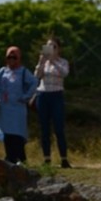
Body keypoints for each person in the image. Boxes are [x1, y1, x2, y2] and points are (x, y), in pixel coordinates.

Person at [0, 46, 37, 165]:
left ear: (19, 58)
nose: (11, 59)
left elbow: (34, 82)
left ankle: (21, 159)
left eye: (14, 57)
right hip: (5, 108)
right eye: (9, 57)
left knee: (18, 134)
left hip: (18, 108)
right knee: (7, 134)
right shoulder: (2, 71)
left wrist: (26, 96)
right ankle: (10, 158)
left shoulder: (23, 71)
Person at [34, 37, 71, 167]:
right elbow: (37, 76)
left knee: (59, 128)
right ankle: (47, 158)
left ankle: (64, 158)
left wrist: (53, 61)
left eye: (54, 47)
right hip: (43, 94)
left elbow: (64, 73)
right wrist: (41, 62)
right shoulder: (44, 62)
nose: (51, 49)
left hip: (57, 95)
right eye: (49, 46)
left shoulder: (63, 62)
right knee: (44, 128)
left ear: (59, 49)